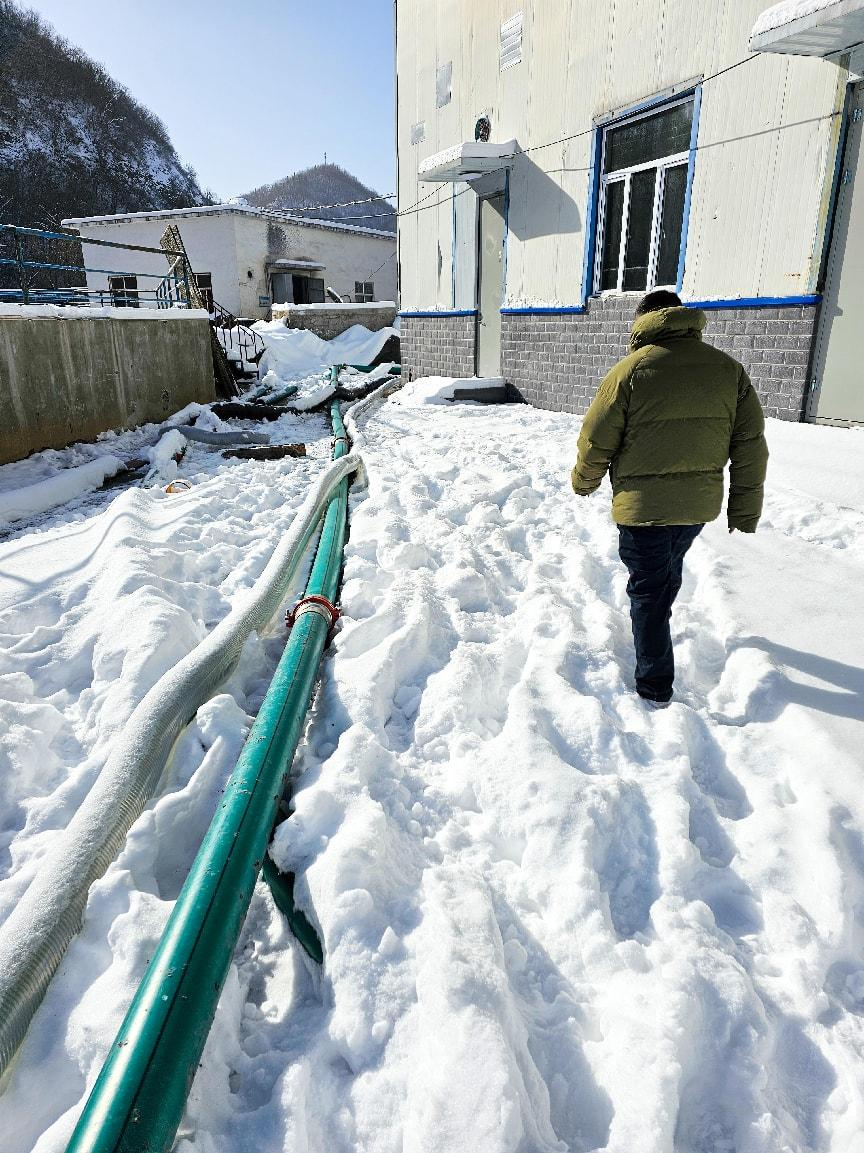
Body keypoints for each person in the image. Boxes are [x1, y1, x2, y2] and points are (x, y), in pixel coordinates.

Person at [571, 289, 768, 706]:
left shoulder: (630, 370)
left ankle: (654, 686)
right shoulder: (728, 370)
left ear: (643, 320)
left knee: (648, 594)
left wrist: (584, 481)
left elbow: (596, 438)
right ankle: (661, 618)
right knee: (664, 575)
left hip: (642, 508)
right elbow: (750, 445)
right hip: (696, 507)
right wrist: (744, 510)